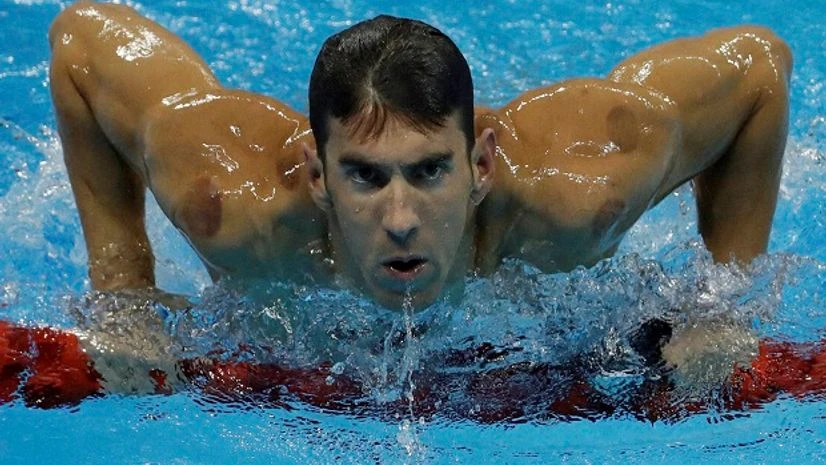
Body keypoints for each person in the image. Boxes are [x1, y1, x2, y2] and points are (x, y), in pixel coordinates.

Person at [48, 2, 792, 314]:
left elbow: (759, 68)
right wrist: (124, 291)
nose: (400, 218)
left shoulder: (576, 194)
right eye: (366, 176)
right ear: (316, 173)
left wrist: (722, 307)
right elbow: (80, 39)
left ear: (483, 164)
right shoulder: (234, 205)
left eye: (431, 170)